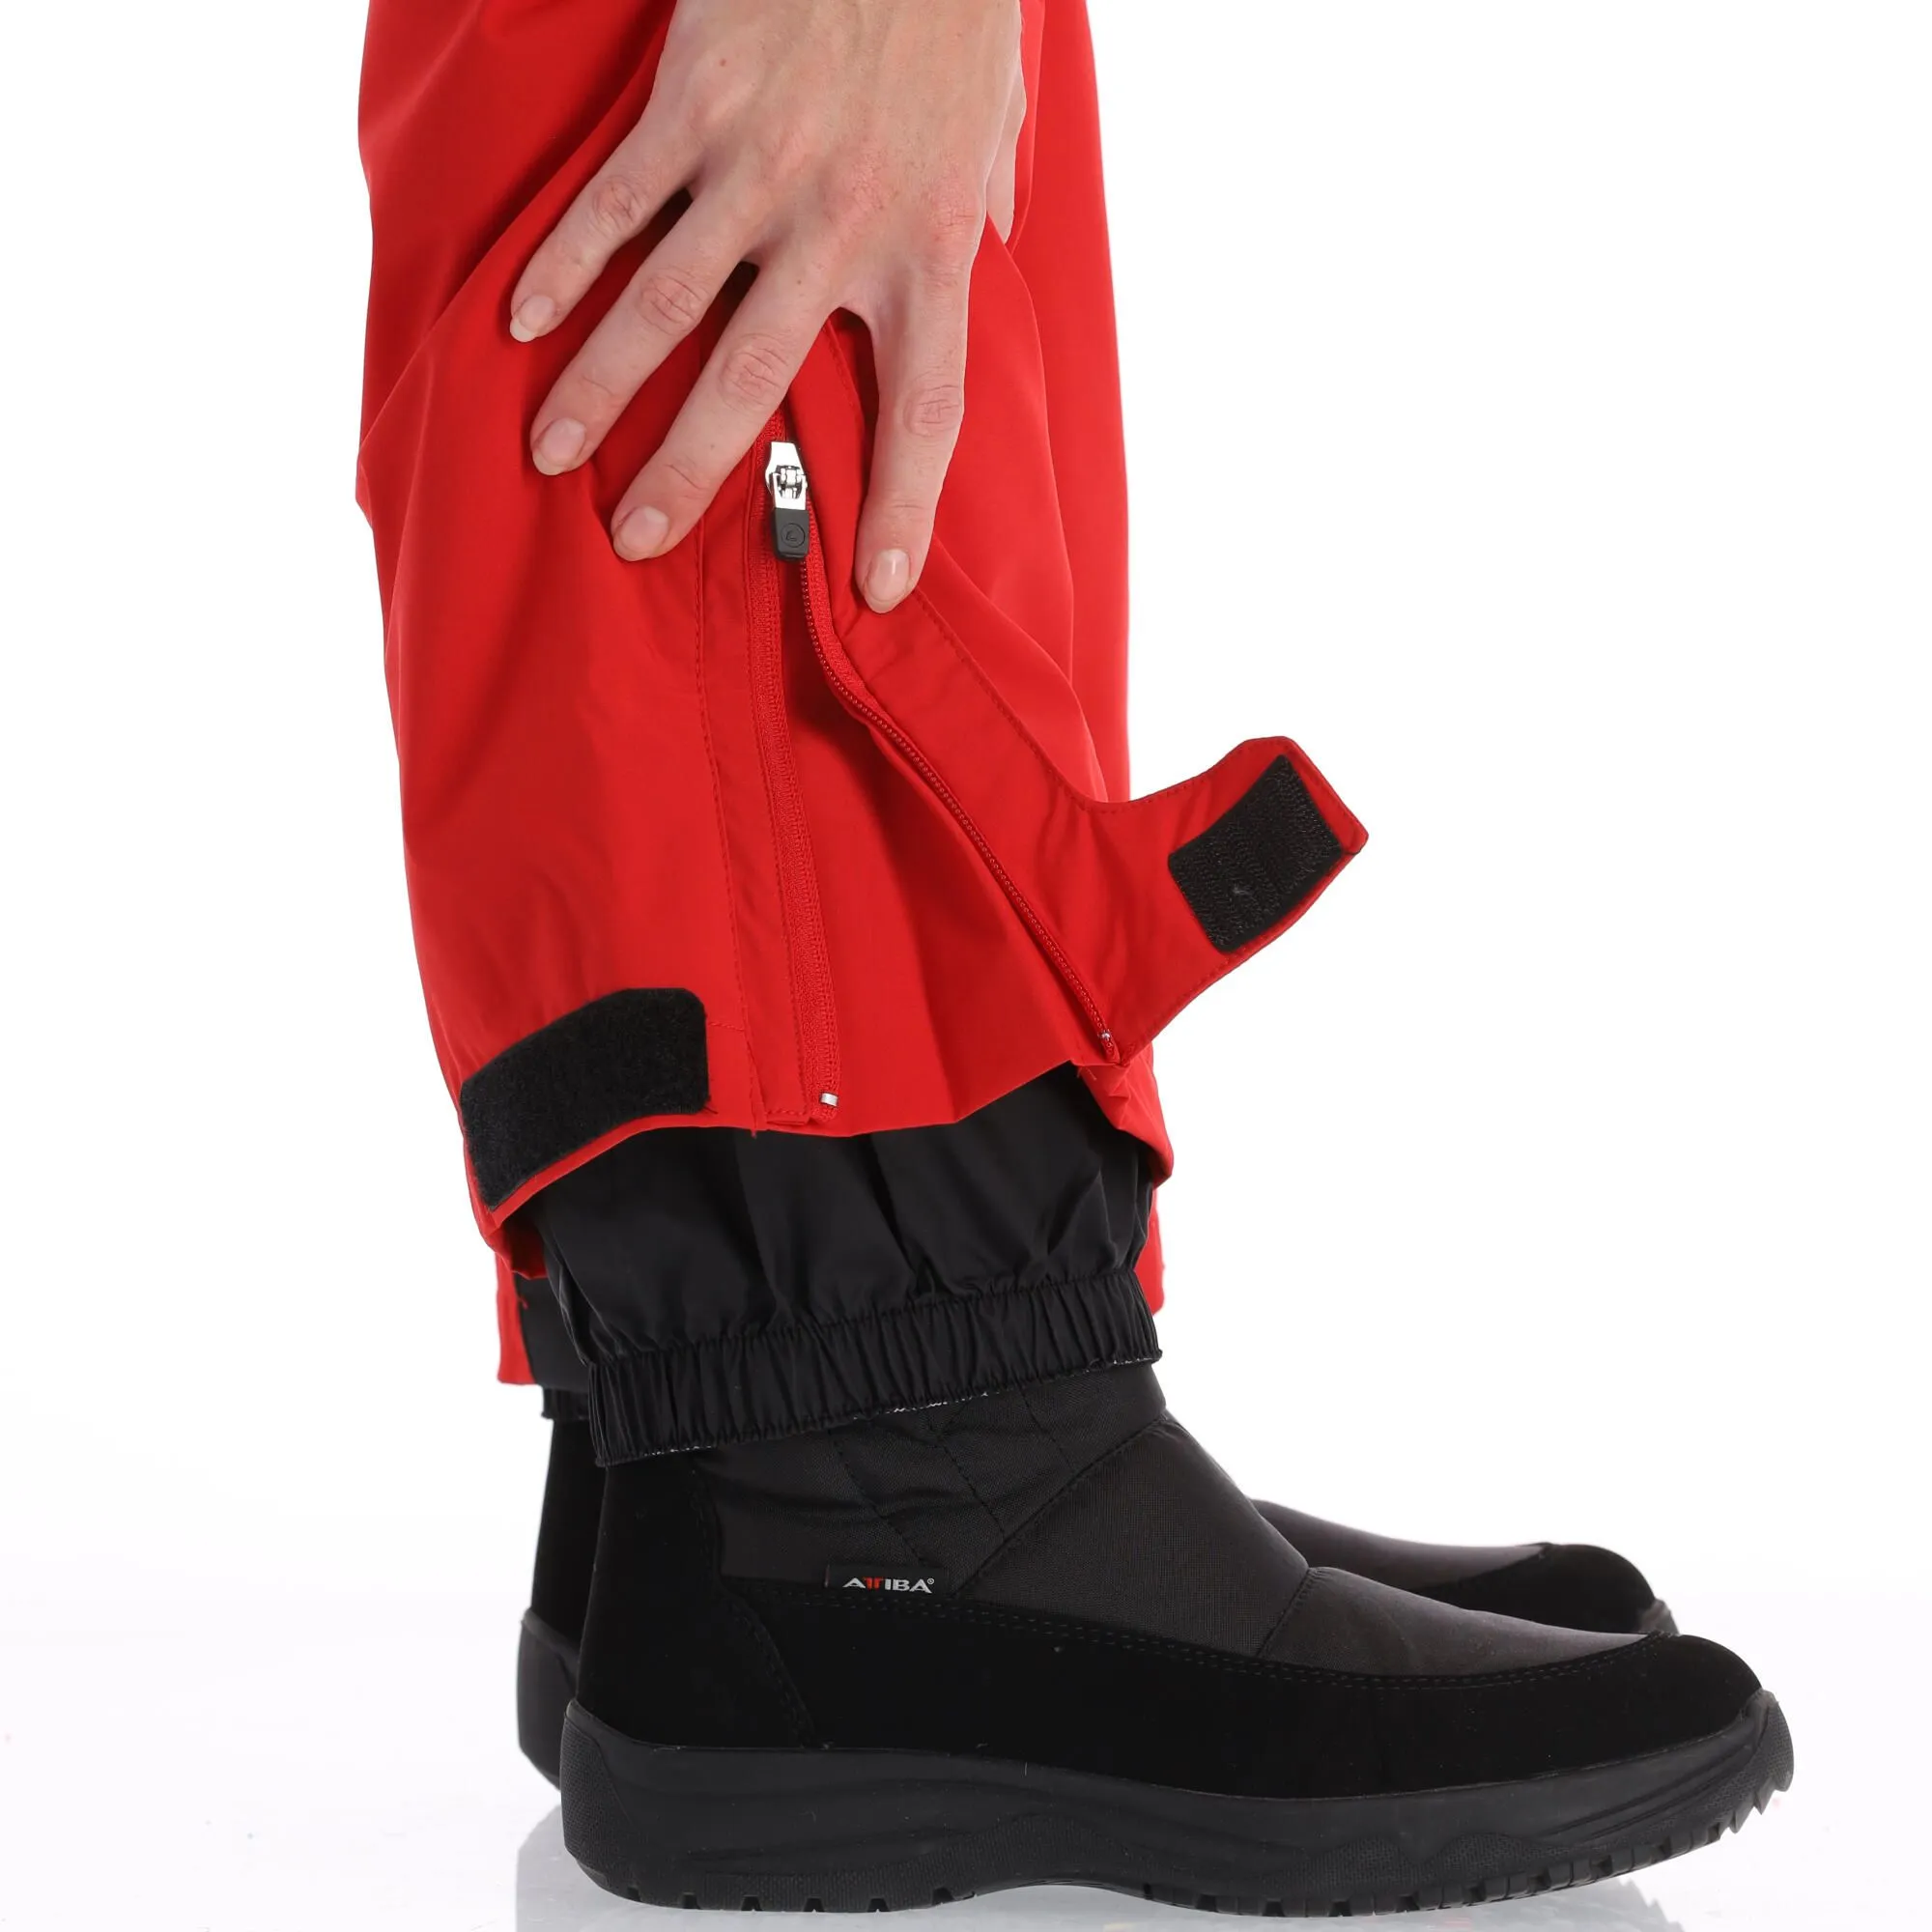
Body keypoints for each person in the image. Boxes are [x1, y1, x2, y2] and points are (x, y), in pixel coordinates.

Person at [356, 0, 1791, 1911]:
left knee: (870, 209)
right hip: (861, 1381)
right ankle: (883, 1462)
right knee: (758, 177)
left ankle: (718, 1466)